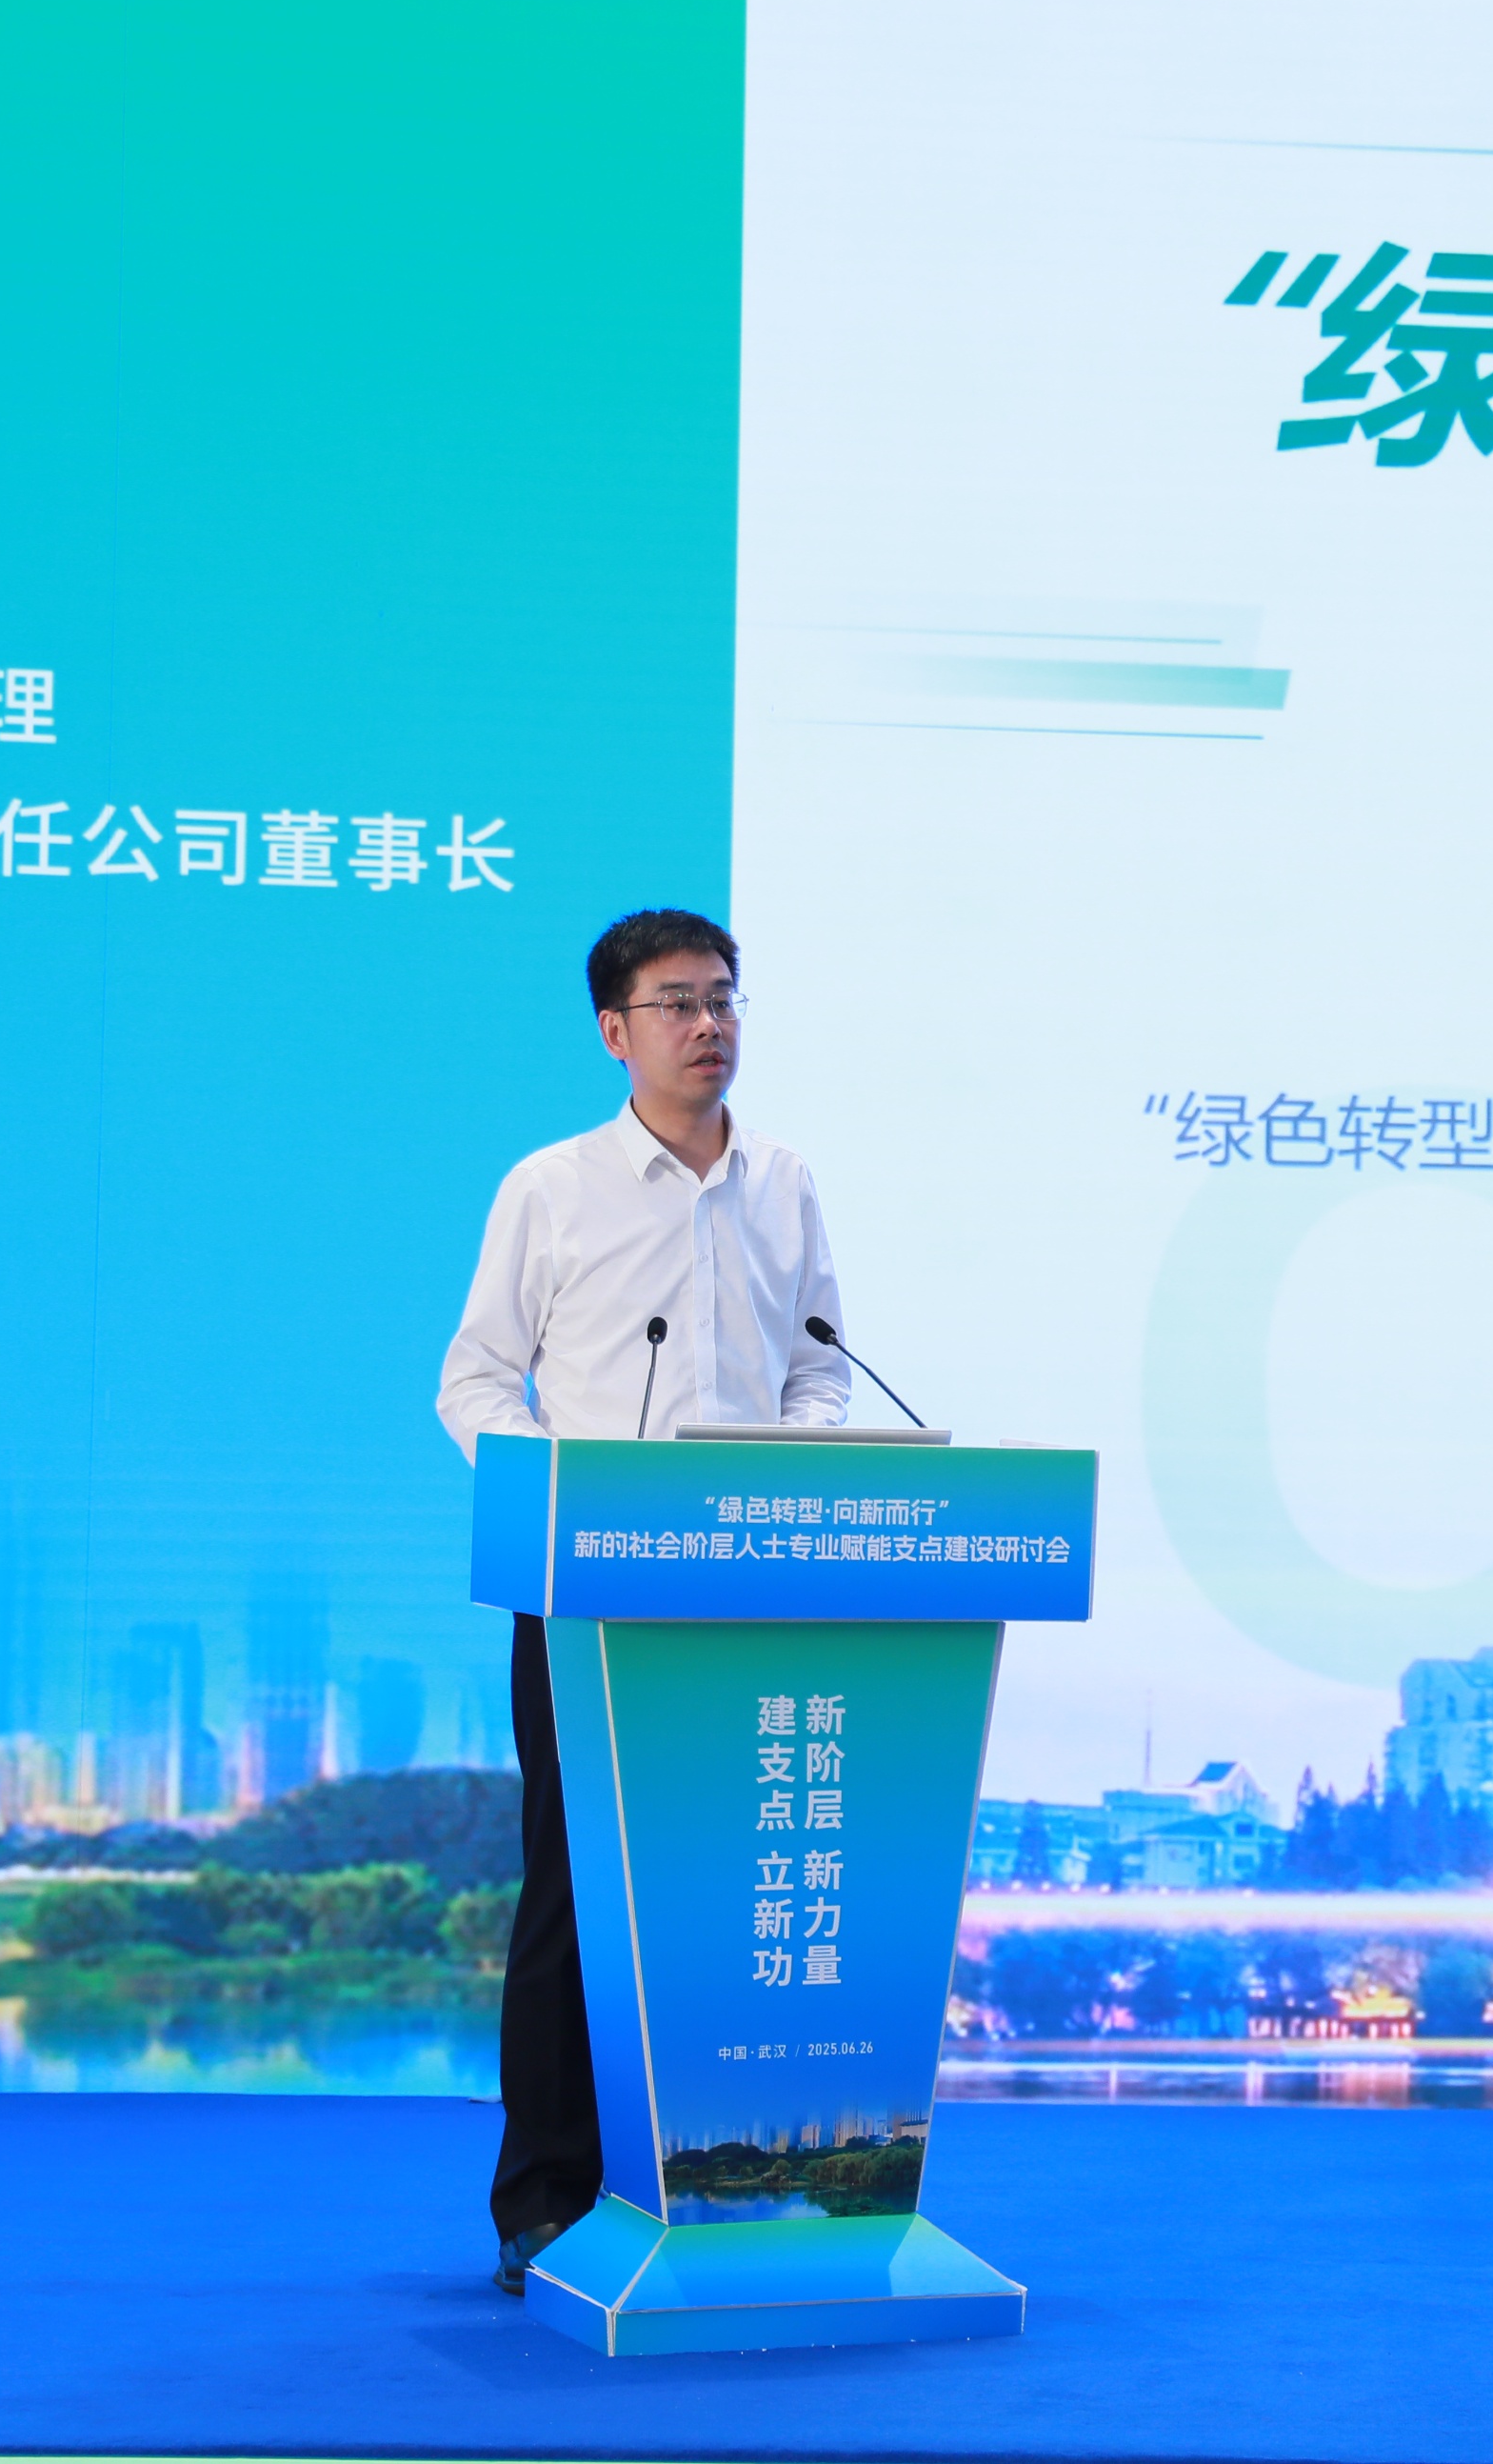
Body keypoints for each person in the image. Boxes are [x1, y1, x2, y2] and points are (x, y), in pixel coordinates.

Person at [435, 907, 849, 2294]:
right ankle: (547, 2198)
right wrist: (565, 1496)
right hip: (590, 1590)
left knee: (732, 1888)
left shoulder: (785, 1181)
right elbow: (475, 1381)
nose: (709, 1024)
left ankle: (724, 2179)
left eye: (724, 997)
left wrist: (796, 1464)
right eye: (677, 1002)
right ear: (615, 1030)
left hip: (752, 1586)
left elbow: (819, 1366)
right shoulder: (552, 1187)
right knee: (578, 1889)